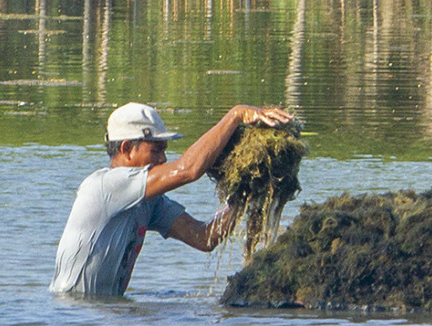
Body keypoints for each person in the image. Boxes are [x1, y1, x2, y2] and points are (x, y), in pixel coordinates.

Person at [49, 102, 293, 296]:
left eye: (165, 149)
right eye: (156, 149)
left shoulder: (148, 201)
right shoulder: (108, 185)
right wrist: (235, 116)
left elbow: (204, 237)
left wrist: (243, 195)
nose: (164, 158)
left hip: (105, 313)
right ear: (126, 149)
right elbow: (188, 169)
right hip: (74, 312)